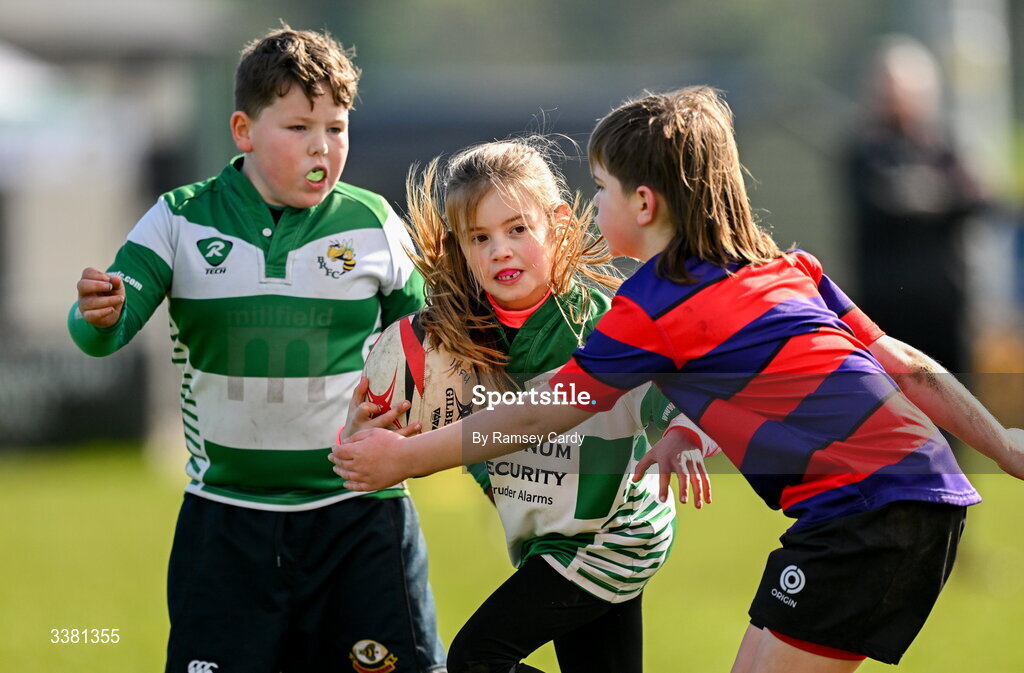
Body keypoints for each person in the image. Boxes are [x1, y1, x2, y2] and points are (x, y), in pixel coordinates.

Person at [333, 87, 1024, 672]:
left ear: (643, 203)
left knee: (475, 655)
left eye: (600, 190)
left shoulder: (651, 310)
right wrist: (1003, 446)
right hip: (865, 509)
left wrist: (407, 456)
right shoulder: (787, 268)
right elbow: (906, 365)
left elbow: (546, 412)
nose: (595, 211)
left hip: (867, 513)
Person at [68, 26, 446, 673]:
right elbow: (103, 329)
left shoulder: (375, 223)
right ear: (243, 130)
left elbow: (433, 349)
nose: (323, 147)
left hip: (359, 518)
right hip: (226, 526)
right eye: (299, 128)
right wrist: (94, 312)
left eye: (337, 127)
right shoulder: (179, 219)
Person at [338, 138, 717, 673]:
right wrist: (365, 431)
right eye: (480, 237)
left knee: (476, 659)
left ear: (558, 224)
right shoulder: (447, 348)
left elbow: (677, 396)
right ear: (460, 249)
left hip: (612, 533)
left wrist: (682, 435)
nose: (500, 250)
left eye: (518, 229)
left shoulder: (605, 329)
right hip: (551, 540)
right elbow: (412, 436)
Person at [846, 35, 985, 376]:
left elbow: (980, 197)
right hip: (889, 310)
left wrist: (925, 192)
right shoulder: (865, 149)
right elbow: (887, 201)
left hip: (945, 307)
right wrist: (942, 195)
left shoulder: (943, 145)